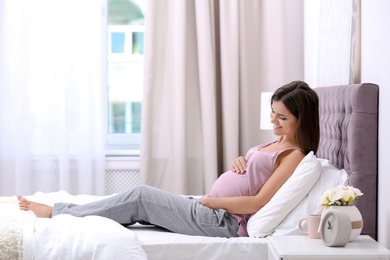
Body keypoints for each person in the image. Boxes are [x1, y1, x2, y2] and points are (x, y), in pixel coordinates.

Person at [18, 80, 320, 238]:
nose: (274, 122)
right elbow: (254, 171)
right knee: (139, 205)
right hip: (212, 209)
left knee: (140, 196)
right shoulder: (276, 141)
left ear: (302, 119)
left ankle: (59, 213)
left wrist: (212, 201)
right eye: (272, 114)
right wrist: (239, 161)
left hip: (224, 220)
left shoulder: (294, 156)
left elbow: (257, 203)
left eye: (282, 118)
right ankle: (70, 213)